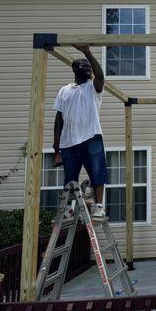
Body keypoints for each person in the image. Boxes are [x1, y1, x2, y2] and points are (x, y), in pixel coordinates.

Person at [53, 45, 108, 218]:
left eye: (89, 67)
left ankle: (99, 206)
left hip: (91, 138)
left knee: (98, 174)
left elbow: (100, 75)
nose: (87, 69)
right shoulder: (64, 90)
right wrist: (56, 145)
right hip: (68, 142)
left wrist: (87, 52)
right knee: (70, 179)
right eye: (83, 66)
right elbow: (58, 118)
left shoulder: (93, 88)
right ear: (74, 70)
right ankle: (69, 209)